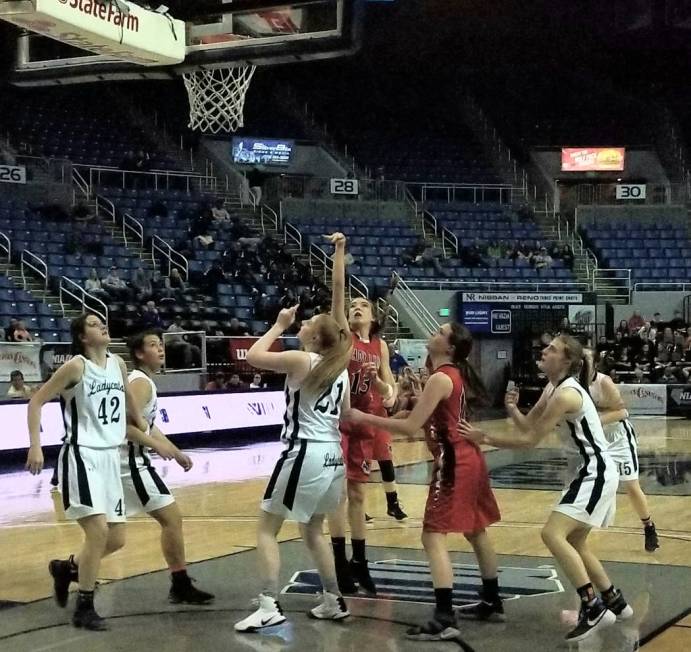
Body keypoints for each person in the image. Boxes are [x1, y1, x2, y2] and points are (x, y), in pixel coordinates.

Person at [460, 335, 633, 643]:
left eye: (552, 349)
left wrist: (484, 438)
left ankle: (592, 607)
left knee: (552, 534)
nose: (544, 351)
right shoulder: (555, 389)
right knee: (576, 541)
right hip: (590, 469)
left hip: (596, 469)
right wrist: (512, 409)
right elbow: (529, 427)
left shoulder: (567, 393)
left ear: (566, 361)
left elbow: (529, 442)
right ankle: (614, 601)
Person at [345, 322, 501, 642]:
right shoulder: (447, 375)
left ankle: (445, 616)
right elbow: (420, 415)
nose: (434, 333)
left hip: (453, 461)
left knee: (432, 536)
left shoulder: (442, 377)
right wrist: (411, 399)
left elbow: (409, 427)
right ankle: (491, 599)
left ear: (450, 347)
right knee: (475, 530)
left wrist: (363, 418)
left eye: (441, 332)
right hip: (468, 457)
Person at [25, 314, 150, 631]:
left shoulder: (118, 364)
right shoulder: (76, 367)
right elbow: (36, 402)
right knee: (97, 533)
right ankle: (85, 606)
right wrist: (36, 446)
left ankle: (67, 569)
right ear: (82, 337)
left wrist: (138, 419)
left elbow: (124, 395)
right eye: (94, 324)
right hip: (82, 455)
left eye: (103, 322)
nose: (103, 326)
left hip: (110, 457)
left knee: (117, 538)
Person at [234, 305, 353, 632]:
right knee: (313, 530)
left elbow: (253, 357)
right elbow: (346, 414)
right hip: (332, 455)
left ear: (315, 336)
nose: (300, 325)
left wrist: (278, 325)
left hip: (305, 451)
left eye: (307, 324)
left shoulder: (303, 359)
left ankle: (269, 603)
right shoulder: (339, 370)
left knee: (266, 529)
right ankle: (333, 598)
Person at [326, 233, 404, 600]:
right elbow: (338, 291)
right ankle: (341, 563)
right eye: (353, 305)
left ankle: (361, 562)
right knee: (339, 496)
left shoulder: (380, 345)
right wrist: (340, 252)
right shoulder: (344, 337)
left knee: (358, 495)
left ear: (373, 317)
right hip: (340, 422)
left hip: (366, 423)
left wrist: (384, 387)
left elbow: (391, 393)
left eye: (363, 305)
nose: (356, 308)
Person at [586, 352, 659, 552]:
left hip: (618, 437)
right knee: (590, 480)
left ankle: (648, 526)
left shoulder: (604, 382)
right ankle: (582, 525)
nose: (582, 364)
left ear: (594, 364)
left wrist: (595, 421)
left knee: (631, 486)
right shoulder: (574, 384)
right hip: (597, 439)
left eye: (586, 360)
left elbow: (623, 412)